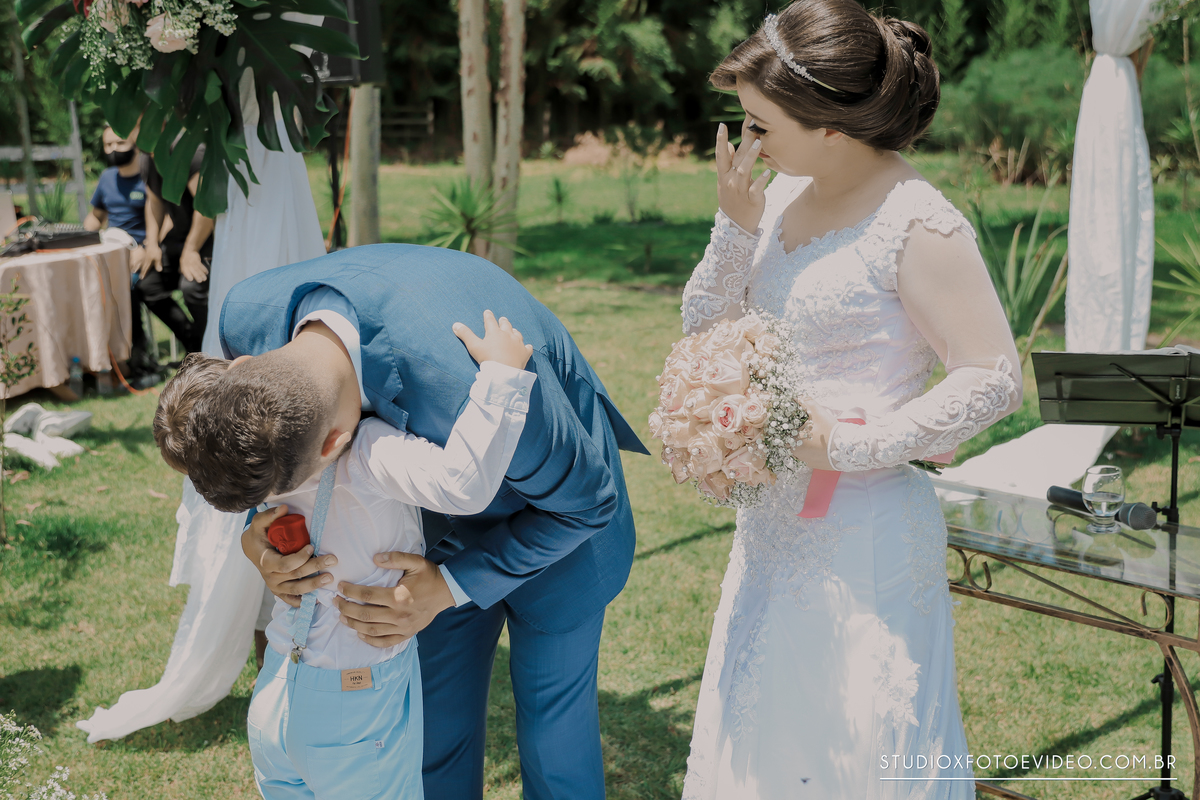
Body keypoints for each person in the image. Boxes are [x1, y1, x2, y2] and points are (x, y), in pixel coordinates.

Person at [678, 2, 1021, 797]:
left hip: (864, 532)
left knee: (853, 741)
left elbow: (994, 375)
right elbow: (705, 330)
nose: (749, 142)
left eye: (762, 126)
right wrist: (735, 227)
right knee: (761, 726)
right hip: (772, 524)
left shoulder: (918, 222)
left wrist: (848, 446)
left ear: (830, 128)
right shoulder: (778, 197)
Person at [157, 243, 647, 800]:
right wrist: (259, 535)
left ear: (335, 444)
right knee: (433, 737)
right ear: (241, 368)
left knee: (554, 745)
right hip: (423, 544)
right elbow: (263, 444)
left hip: (561, 530)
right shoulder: (249, 321)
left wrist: (451, 586)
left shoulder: (471, 378)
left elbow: (587, 503)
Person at [160, 311, 537, 800]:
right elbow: (461, 484)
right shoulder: (361, 452)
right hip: (355, 705)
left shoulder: (255, 470)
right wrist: (502, 378)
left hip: (276, 685)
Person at [138, 146, 214, 355]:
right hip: (177, 238)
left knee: (192, 288)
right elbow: (154, 201)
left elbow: (206, 206)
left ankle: (213, 350)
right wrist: (152, 244)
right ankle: (194, 344)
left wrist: (191, 250)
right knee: (148, 286)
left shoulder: (190, 152)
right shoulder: (147, 158)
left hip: (207, 237)